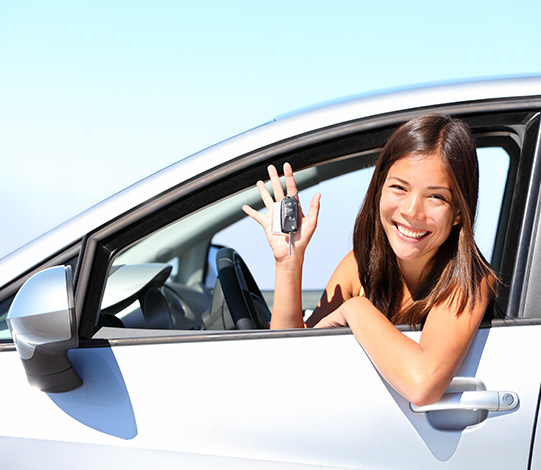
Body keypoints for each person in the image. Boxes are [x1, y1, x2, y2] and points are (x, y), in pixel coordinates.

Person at [242, 114, 497, 407]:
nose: (413, 211)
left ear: (459, 214)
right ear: (378, 190)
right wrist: (289, 263)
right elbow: (290, 362)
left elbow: (422, 384)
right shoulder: (360, 266)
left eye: (436, 197)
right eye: (399, 188)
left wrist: (355, 308)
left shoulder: (470, 281)